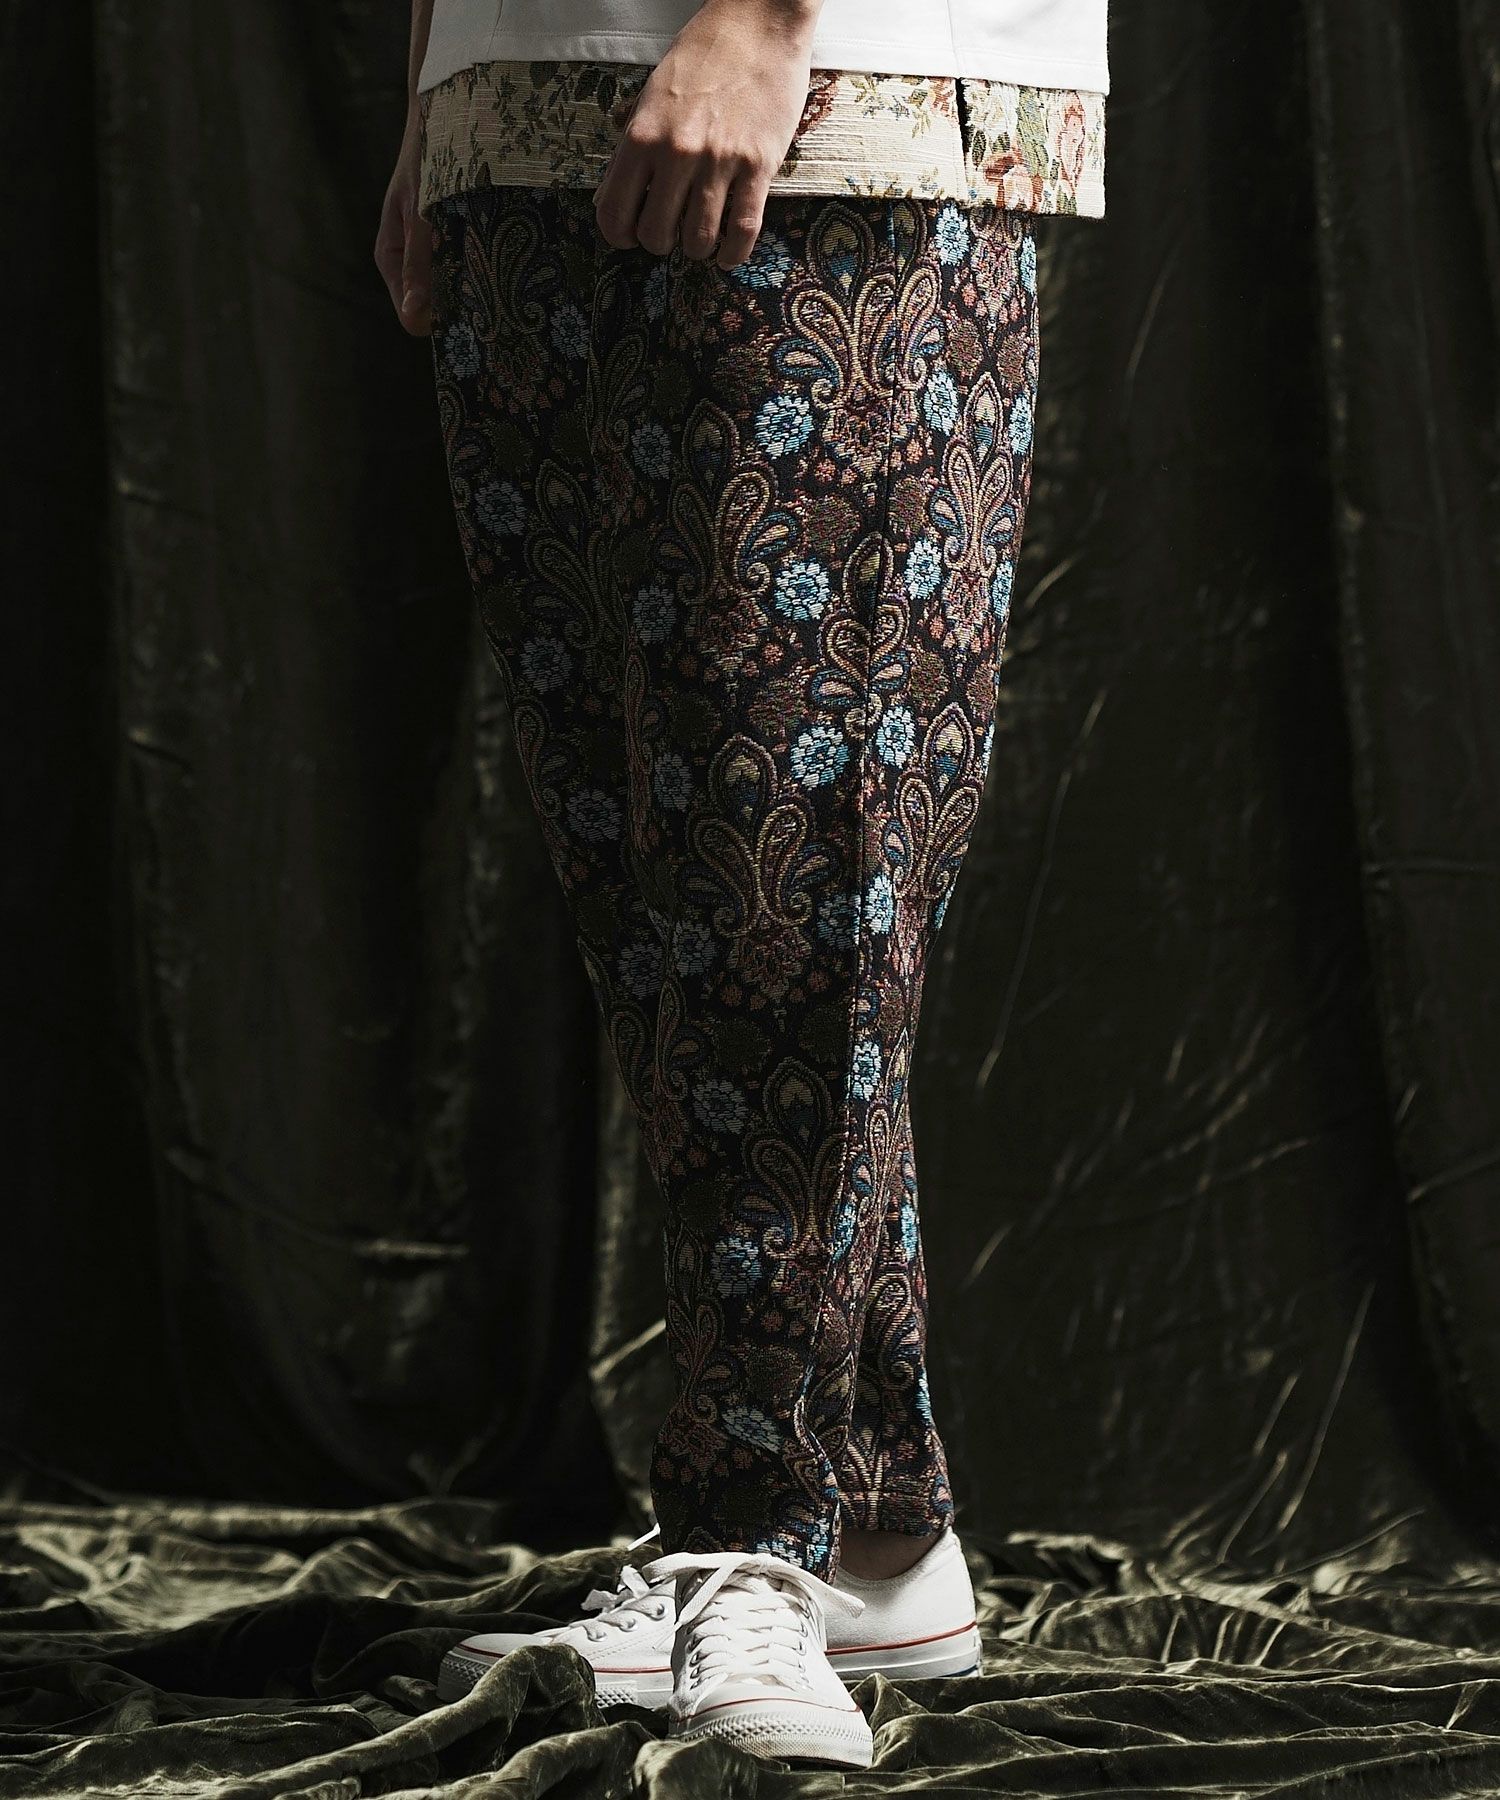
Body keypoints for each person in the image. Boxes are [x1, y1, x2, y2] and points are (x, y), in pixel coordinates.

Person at [375, 0, 1107, 1769]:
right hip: (515, 111)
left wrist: (762, 19)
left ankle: (749, 1534)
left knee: (796, 872)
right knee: (664, 896)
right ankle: (881, 1536)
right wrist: (432, 97)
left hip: (838, 100)